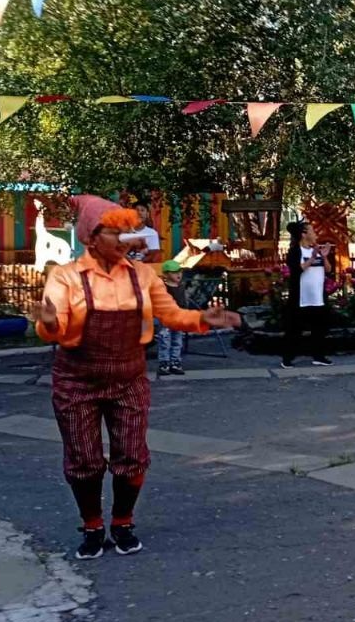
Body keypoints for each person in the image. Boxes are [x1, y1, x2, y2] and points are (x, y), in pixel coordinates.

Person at [32, 195, 241, 561]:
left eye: (128, 233)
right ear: (91, 237)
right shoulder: (65, 277)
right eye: (116, 233)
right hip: (76, 381)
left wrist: (202, 319)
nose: (126, 240)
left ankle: (123, 522)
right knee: (83, 458)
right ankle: (92, 525)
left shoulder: (143, 276)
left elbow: (172, 315)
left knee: (131, 454)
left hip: (129, 379)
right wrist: (49, 323)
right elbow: (56, 328)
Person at [281, 220, 333, 369]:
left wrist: (324, 256)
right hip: (301, 298)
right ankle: (287, 358)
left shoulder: (317, 250)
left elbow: (328, 270)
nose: (315, 234)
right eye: (312, 231)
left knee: (319, 329)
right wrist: (312, 257)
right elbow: (298, 269)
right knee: (295, 329)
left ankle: (318, 356)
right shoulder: (295, 251)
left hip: (318, 297)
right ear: (304, 234)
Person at [156, 260, 187, 376]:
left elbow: (183, 302)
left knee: (177, 341)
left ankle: (175, 362)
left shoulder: (181, 287)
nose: (178, 274)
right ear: (166, 274)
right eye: (174, 272)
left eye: (180, 271)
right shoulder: (163, 287)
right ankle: (164, 363)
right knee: (165, 341)